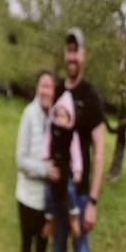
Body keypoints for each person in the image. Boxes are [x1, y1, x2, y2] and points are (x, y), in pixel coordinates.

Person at [44, 28, 106, 252]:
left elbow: (99, 154)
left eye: (76, 51)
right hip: (56, 196)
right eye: (67, 50)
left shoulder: (90, 96)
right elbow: (49, 135)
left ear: (84, 55)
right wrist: (47, 165)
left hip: (80, 198)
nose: (71, 57)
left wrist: (93, 200)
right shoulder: (54, 90)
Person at [15, 70, 56, 252]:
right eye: (42, 86)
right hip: (26, 199)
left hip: (45, 204)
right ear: (37, 88)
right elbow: (20, 159)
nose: (46, 91)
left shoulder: (54, 117)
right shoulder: (29, 115)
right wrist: (44, 170)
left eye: (50, 87)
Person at [43, 89, 85, 239]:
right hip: (53, 168)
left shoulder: (72, 134)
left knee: (70, 190)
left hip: (66, 169)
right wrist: (45, 160)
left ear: (70, 118)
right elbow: (46, 145)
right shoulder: (51, 129)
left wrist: (78, 170)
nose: (60, 119)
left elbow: (76, 153)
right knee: (48, 194)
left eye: (64, 116)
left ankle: (73, 216)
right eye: (58, 115)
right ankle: (49, 220)